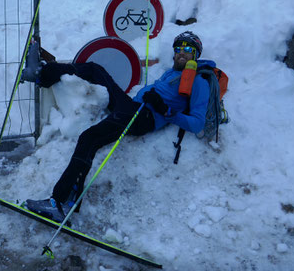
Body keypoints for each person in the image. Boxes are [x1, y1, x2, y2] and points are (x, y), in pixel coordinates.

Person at [21, 31, 211, 223]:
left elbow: (197, 123)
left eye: (188, 49)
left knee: (89, 138)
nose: (182, 53)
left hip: (143, 117)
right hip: (132, 107)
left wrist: (166, 110)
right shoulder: (172, 73)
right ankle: (40, 75)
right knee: (95, 70)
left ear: (196, 55)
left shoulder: (198, 82)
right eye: (178, 48)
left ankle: (58, 202)